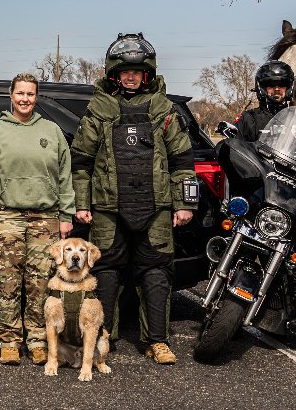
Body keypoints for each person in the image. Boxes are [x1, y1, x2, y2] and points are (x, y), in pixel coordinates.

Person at [70, 33, 198, 366]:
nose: (131, 77)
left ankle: (156, 341)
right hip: (107, 209)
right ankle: (101, 338)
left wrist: (185, 204)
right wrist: (81, 204)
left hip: (156, 208)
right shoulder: (98, 111)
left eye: (138, 72)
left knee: (156, 273)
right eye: (126, 72)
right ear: (114, 73)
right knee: (107, 272)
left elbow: (183, 162)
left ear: (147, 74)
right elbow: (80, 163)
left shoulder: (164, 110)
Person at [0, 73, 74, 366]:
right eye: (20, 93)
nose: (25, 99)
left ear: (36, 97)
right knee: (7, 283)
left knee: (40, 284)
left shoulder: (51, 132)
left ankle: (38, 339)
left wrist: (66, 215)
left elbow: (65, 176)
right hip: (5, 217)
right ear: (10, 95)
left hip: (45, 219)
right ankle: (9, 341)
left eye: (30, 94)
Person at [234, 61, 295, 142]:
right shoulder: (248, 119)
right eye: (271, 84)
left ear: (288, 88)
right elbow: (231, 146)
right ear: (262, 88)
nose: (277, 89)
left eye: (282, 84)